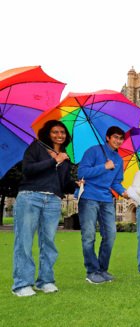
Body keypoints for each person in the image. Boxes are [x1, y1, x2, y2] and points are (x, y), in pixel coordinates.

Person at [12, 120, 80, 297]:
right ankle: (22, 284)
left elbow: (63, 184)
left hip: (53, 201)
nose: (59, 135)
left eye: (62, 132)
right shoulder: (36, 148)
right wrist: (52, 161)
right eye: (55, 132)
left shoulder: (65, 157)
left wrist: (76, 185)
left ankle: (45, 281)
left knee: (48, 242)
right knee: (24, 241)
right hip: (30, 197)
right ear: (47, 134)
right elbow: (27, 170)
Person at [78, 126, 129, 284]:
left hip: (106, 199)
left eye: (121, 138)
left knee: (110, 235)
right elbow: (82, 173)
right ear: (107, 137)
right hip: (89, 197)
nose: (118, 141)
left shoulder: (119, 160)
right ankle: (91, 271)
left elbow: (116, 182)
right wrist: (103, 167)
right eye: (115, 137)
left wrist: (125, 193)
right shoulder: (93, 151)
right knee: (89, 236)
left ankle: (102, 269)